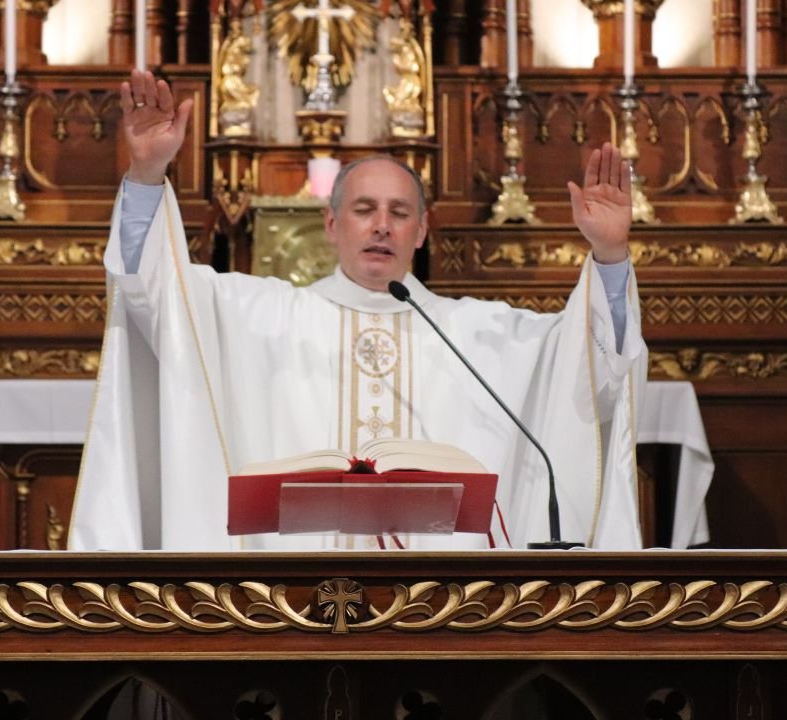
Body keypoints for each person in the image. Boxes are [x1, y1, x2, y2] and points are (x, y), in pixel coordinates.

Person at [68, 71, 647, 551]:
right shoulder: (262, 316)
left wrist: (610, 253)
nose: (380, 225)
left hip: (441, 609)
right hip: (287, 606)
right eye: (364, 209)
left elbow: (590, 360)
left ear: (421, 231)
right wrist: (146, 176)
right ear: (330, 224)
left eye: (399, 212)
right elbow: (155, 295)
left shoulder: (479, 334)